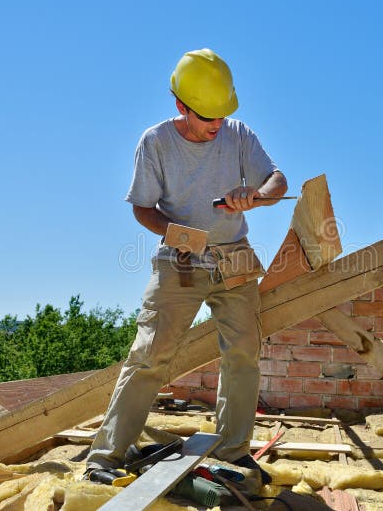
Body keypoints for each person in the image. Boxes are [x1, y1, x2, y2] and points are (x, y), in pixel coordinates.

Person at [85, 48, 287, 485]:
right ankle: (104, 459)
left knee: (243, 355)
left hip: (233, 258)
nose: (216, 124)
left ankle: (234, 454)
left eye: (221, 115)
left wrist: (258, 195)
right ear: (181, 105)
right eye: (206, 116)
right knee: (149, 357)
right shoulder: (155, 142)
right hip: (179, 261)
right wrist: (176, 232)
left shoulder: (238, 135)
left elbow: (277, 180)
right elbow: (142, 207)